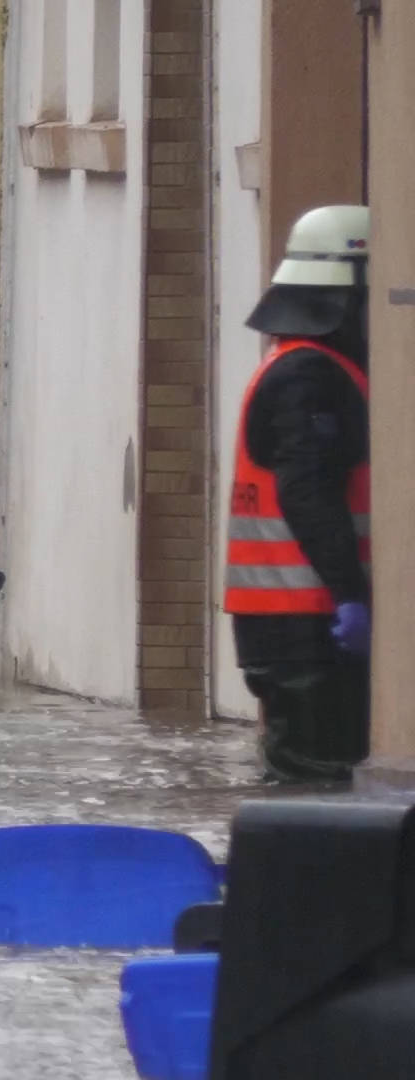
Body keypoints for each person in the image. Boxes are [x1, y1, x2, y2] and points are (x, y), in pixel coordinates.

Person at [226, 204, 372, 783]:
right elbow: (307, 491)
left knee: (310, 785)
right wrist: (350, 595)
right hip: (308, 624)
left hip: (295, 623)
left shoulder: (297, 365)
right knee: (317, 786)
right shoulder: (309, 376)